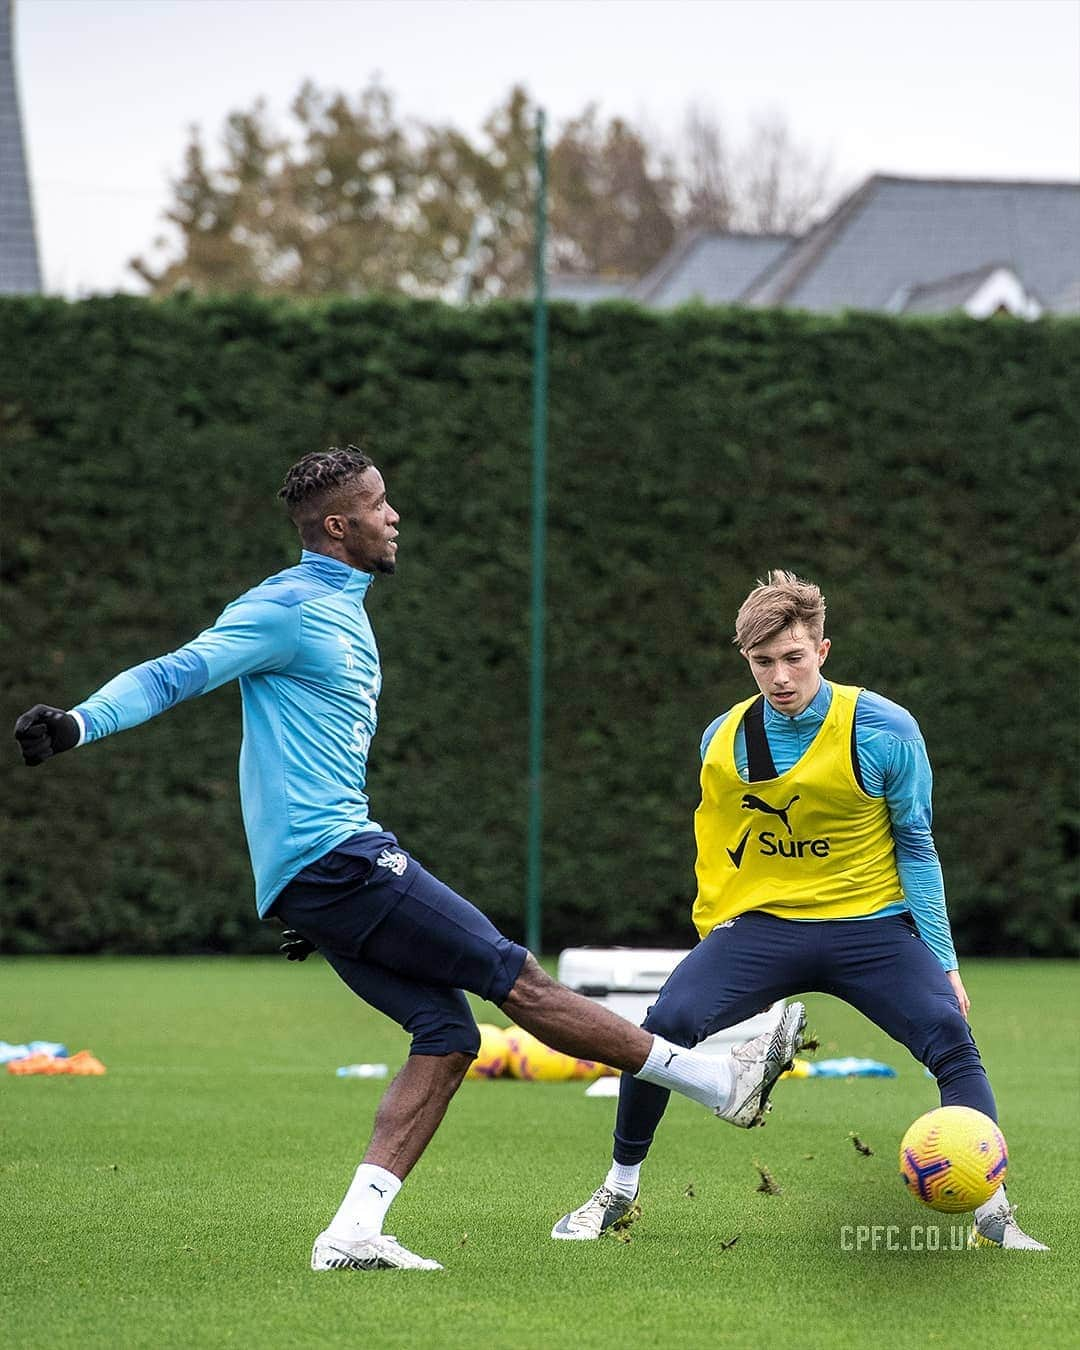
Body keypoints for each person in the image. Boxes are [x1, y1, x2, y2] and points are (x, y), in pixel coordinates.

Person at [13, 447, 807, 1273]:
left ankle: (352, 1233)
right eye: (378, 504)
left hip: (316, 880)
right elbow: (179, 672)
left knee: (445, 1033)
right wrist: (79, 723)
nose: (394, 516)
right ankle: (717, 1083)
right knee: (517, 976)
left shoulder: (344, 608)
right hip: (339, 861)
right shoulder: (286, 606)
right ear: (337, 524)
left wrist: (299, 897)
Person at [552, 570, 1046, 1251]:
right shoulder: (721, 739)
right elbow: (715, 846)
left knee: (950, 1037)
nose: (779, 676)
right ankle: (617, 1191)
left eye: (793, 658)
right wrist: (714, 935)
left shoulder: (884, 729)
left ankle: (995, 1214)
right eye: (762, 662)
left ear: (823, 650)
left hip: (873, 929)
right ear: (747, 661)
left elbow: (918, 847)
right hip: (765, 929)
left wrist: (945, 962)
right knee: (664, 1024)